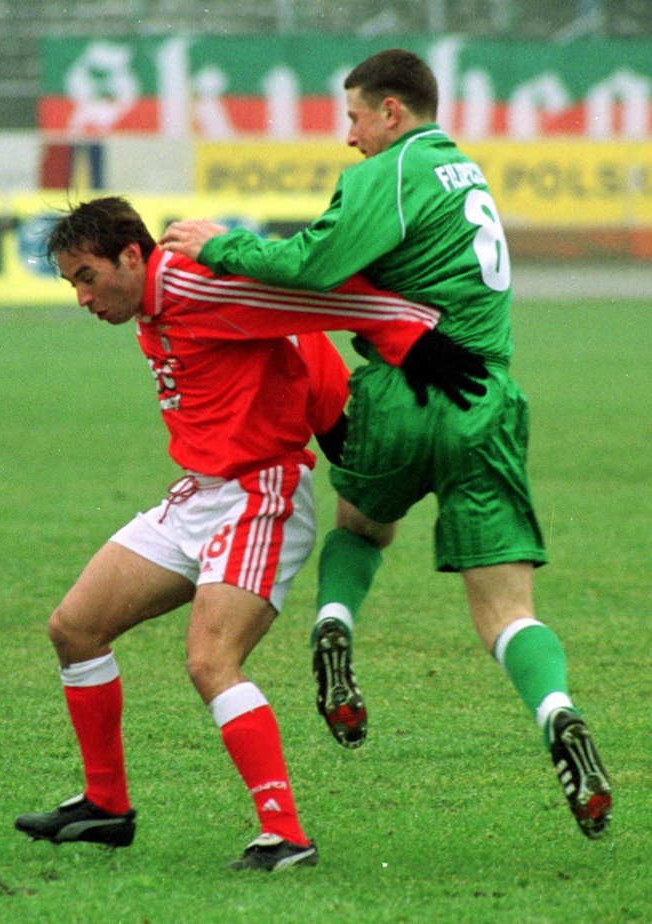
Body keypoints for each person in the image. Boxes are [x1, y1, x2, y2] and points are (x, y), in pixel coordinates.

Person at [159, 48, 611, 839]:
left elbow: (314, 265)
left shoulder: (389, 174)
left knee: (362, 526)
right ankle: (556, 710)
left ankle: (335, 619)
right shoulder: (466, 174)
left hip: (405, 392)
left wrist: (219, 245)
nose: (349, 137)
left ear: (391, 112)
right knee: (507, 610)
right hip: (488, 399)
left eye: (354, 117)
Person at [13, 196, 485, 871]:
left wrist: (409, 333)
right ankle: (106, 806)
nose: (83, 297)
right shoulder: (158, 301)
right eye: (71, 285)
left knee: (210, 661)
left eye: (86, 277)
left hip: (259, 497)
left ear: (130, 256)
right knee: (75, 628)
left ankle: (285, 836)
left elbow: (312, 301)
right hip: (201, 497)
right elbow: (291, 338)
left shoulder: (194, 285)